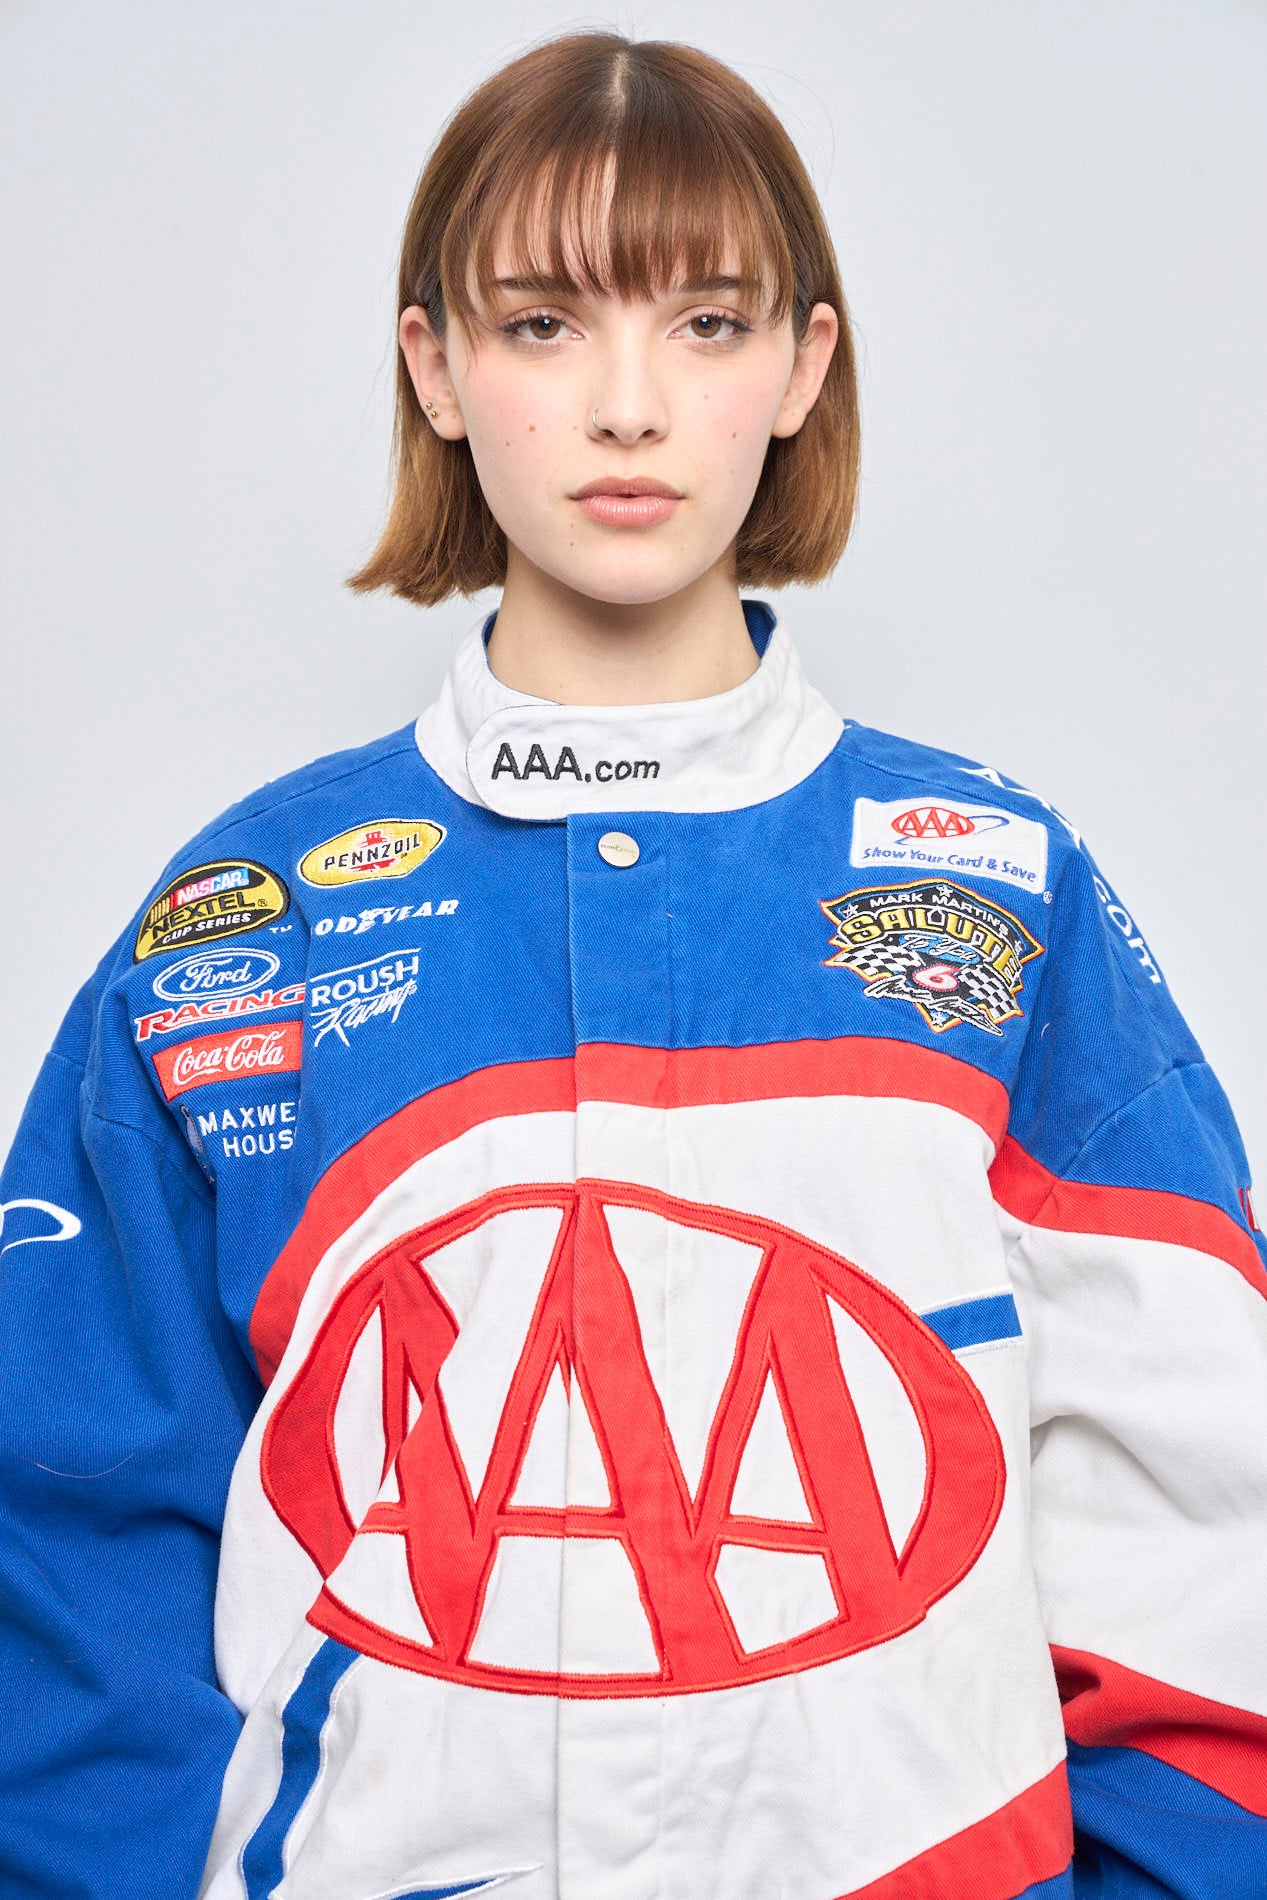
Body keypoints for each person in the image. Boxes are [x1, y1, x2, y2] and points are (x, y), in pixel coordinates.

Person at [0, 28, 1263, 1899]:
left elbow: (1204, 1513)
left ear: (802, 367)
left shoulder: (1003, 898)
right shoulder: (245, 924)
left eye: (706, 323)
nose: (626, 407)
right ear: (434, 366)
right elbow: (64, 1548)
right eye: (541, 325)